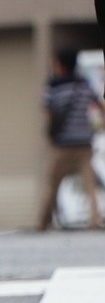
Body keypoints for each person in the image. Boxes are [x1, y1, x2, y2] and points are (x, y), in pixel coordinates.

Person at [37, 49, 103, 230]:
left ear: (58, 65)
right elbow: (99, 104)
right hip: (83, 144)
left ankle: (43, 223)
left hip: (61, 145)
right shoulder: (84, 85)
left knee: (51, 184)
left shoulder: (53, 87)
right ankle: (94, 221)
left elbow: (48, 113)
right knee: (89, 185)